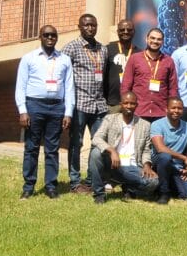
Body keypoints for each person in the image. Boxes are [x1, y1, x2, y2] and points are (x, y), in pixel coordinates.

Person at [16, 25, 74, 199]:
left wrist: (68, 112)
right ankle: (28, 186)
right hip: (34, 106)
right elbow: (21, 86)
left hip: (57, 107)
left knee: (52, 149)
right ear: (40, 37)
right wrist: (23, 111)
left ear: (57, 38)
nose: (50, 38)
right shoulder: (29, 58)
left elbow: (69, 87)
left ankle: (51, 186)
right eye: (46, 35)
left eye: (53, 35)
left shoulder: (64, 59)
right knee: (31, 148)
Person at [61, 13, 108, 193]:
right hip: (80, 104)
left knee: (98, 144)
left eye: (93, 25)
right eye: (86, 25)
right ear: (79, 27)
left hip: (99, 105)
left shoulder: (102, 49)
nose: (90, 28)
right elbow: (62, 76)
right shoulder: (71, 48)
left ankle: (90, 180)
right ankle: (74, 182)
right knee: (76, 143)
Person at [88, 91, 159, 204]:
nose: (129, 106)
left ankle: (130, 188)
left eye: (132, 103)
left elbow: (146, 149)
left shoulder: (144, 125)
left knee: (153, 182)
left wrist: (147, 165)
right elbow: (96, 138)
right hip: (113, 164)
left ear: (137, 105)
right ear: (121, 104)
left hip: (132, 166)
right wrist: (112, 151)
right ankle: (99, 194)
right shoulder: (110, 119)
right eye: (126, 103)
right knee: (96, 153)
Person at [120, 27, 177, 122]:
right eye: (152, 38)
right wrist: (126, 107)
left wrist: (170, 108)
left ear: (162, 42)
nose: (155, 41)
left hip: (160, 113)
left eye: (159, 39)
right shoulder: (135, 59)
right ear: (147, 39)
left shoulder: (169, 61)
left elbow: (173, 88)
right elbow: (126, 85)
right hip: (138, 112)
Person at [150, 97, 187, 203]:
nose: (176, 111)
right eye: (173, 108)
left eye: (179, 108)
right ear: (166, 109)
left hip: (177, 167)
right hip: (159, 162)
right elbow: (160, 148)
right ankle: (163, 193)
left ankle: (168, 184)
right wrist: (184, 158)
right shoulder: (157, 124)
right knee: (165, 157)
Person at [104, 18, 139, 114]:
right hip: (112, 103)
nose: (126, 32)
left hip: (132, 104)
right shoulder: (107, 49)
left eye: (129, 30)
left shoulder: (139, 53)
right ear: (117, 32)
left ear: (134, 32)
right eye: (122, 30)